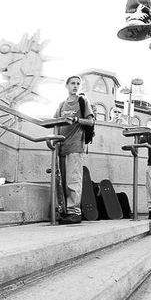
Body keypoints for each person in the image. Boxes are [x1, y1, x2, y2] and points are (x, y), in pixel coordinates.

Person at [53, 75, 95, 224]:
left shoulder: (82, 101)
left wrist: (77, 120)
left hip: (76, 145)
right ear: (67, 85)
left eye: (78, 83)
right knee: (62, 181)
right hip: (61, 146)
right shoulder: (61, 105)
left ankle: (74, 212)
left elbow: (90, 121)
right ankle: (64, 210)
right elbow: (55, 124)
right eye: (72, 83)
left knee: (73, 180)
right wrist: (55, 142)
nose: (75, 86)